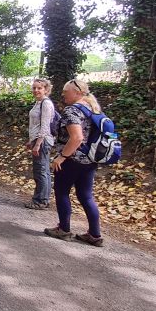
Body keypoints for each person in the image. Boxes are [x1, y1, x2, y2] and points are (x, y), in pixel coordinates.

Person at [44, 79, 104, 247]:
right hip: (89, 160)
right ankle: (94, 234)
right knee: (86, 196)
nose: (63, 94)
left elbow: (77, 138)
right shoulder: (92, 108)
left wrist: (62, 157)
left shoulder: (72, 110)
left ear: (78, 93)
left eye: (66, 91)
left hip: (72, 160)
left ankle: (63, 229)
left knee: (62, 192)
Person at [25, 78, 55, 209]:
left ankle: (40, 200)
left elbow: (45, 126)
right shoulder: (38, 103)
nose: (36, 90)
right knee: (44, 170)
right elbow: (36, 125)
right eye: (34, 88)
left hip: (43, 141)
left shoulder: (46, 104)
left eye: (39, 88)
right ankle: (43, 199)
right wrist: (31, 140)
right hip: (38, 139)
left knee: (41, 171)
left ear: (46, 90)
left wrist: (38, 143)